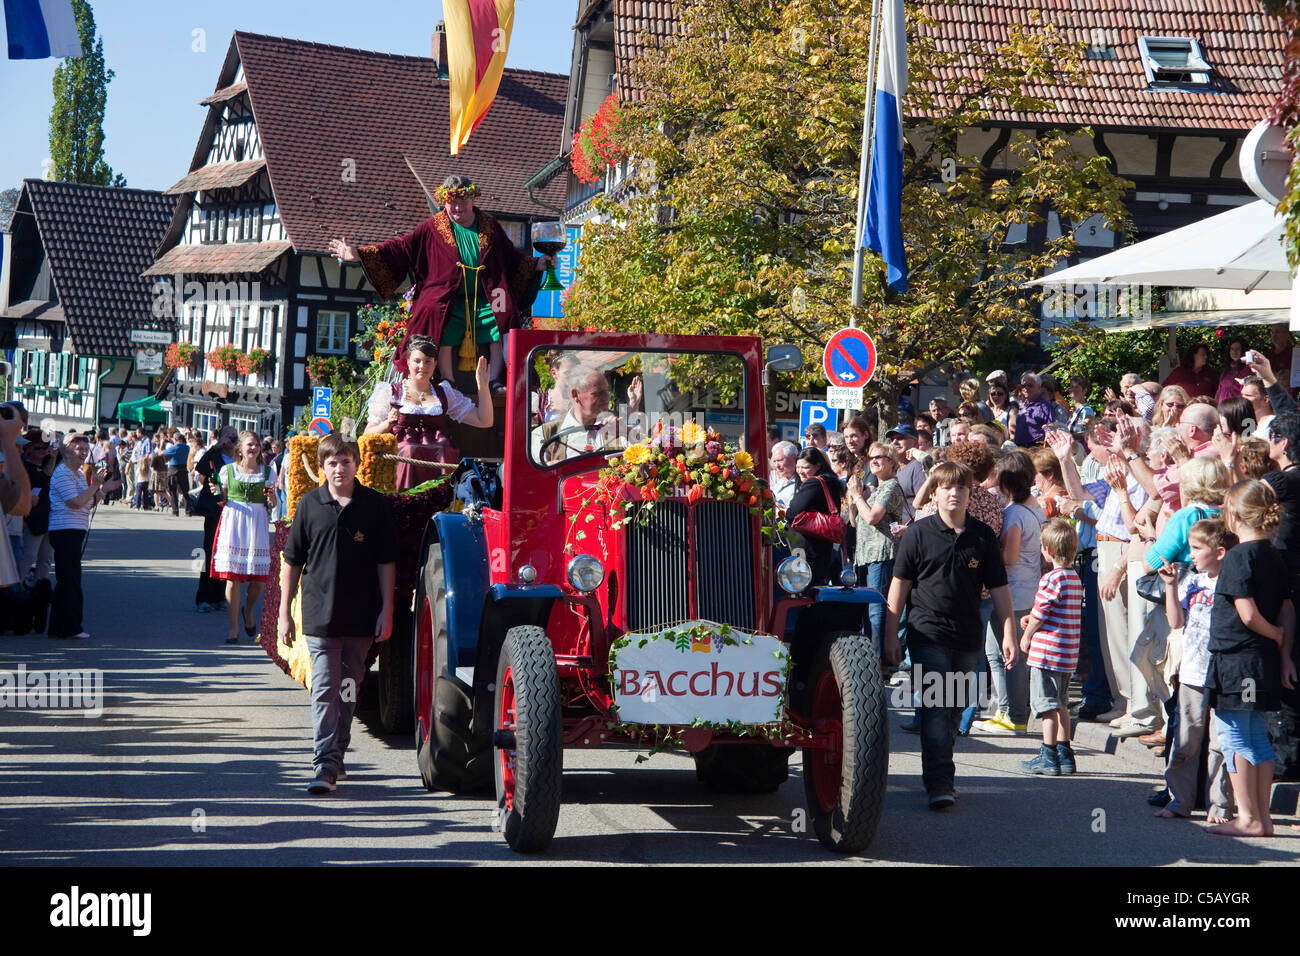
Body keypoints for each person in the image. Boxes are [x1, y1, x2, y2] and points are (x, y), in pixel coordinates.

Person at [331, 174, 552, 390]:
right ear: (444, 202)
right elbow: (401, 247)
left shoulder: (490, 226)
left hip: (487, 296)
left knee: (503, 318)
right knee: (436, 312)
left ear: (472, 199)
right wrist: (360, 254)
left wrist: (536, 264)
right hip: (446, 296)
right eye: (451, 203)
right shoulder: (431, 227)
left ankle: (495, 381)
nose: (457, 208)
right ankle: (447, 380)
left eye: (462, 202)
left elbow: (511, 257)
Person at [884, 461, 1016, 810]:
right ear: (936, 493)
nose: (954, 493)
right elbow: (899, 587)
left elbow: (1000, 589)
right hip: (926, 633)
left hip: (968, 635)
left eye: (961, 488)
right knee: (935, 706)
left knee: (954, 708)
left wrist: (1009, 633)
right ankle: (940, 782)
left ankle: (941, 766)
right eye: (947, 487)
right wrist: (890, 635)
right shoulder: (918, 533)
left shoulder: (982, 536)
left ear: (970, 494)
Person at [280, 433, 397, 794]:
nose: (339, 468)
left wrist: (387, 611)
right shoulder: (309, 505)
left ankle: (337, 753)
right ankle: (324, 764)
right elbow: (292, 561)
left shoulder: (374, 506)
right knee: (325, 688)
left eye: (346, 461)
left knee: (348, 690)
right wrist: (285, 613)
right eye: (332, 462)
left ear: (357, 465)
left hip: (361, 617)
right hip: (319, 615)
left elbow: (386, 562)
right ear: (322, 468)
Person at [1205, 480, 1297, 836]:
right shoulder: (1273, 553)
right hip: (1262, 660)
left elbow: (1246, 613)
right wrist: (1284, 650)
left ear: (1234, 514)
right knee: (1257, 734)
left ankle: (1248, 817)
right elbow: (1287, 608)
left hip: (1239, 660)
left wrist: (1274, 635)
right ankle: (1263, 818)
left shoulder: (1239, 556)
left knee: (1234, 736)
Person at [1156, 518, 1237, 821]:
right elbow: (1176, 622)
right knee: (1185, 741)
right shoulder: (1191, 581)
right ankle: (1180, 799)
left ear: (1219, 552)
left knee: (1220, 744)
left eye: (1196, 549)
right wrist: (1170, 585)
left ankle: (1220, 805)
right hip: (1191, 671)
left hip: (1221, 674)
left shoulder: (1232, 582)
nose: (1189, 555)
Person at [973, 450, 1044, 735]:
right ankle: (1006, 712)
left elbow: (1010, 557)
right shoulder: (1035, 508)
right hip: (1026, 588)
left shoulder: (1014, 513)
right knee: (1000, 653)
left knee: (1008, 655)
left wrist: (985, 552)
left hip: (1013, 591)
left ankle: (1014, 715)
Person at [365, 336, 495, 488]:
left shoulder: (444, 393)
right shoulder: (391, 392)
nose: (423, 366)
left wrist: (483, 386)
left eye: (428, 361)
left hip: (440, 463)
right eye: (417, 361)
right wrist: (388, 423)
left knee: (444, 447)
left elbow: (484, 421)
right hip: (404, 463)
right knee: (409, 449)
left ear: (435, 364)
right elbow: (368, 434)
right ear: (408, 362)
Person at [1018, 517, 1083, 775]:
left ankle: (1048, 754)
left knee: (1046, 705)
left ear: (1048, 551)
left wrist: (1027, 634)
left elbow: (1041, 612)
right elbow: (1053, 611)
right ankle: (1065, 753)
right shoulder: (1074, 578)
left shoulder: (1050, 579)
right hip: (1067, 653)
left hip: (1047, 653)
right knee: (1062, 703)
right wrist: (1032, 618)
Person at [210, 431, 278, 644]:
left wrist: (272, 498)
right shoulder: (227, 471)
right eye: (249, 444)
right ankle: (233, 628)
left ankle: (248, 611)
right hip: (234, 522)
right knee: (233, 577)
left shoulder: (268, 472)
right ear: (239, 448)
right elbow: (221, 500)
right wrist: (216, 492)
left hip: (257, 522)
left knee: (258, 580)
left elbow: (272, 505)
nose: (254, 448)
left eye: (256, 444)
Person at [48, 433, 118, 639]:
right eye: (79, 449)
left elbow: (87, 503)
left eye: (86, 450)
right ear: (67, 450)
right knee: (69, 580)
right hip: (64, 530)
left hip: (74, 529)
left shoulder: (77, 474)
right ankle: (68, 627)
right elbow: (75, 503)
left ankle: (61, 627)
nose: (84, 453)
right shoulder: (63, 473)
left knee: (70, 580)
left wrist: (102, 489)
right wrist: (95, 486)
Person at [846, 442, 904, 651]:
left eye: (879, 457)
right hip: (864, 554)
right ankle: (869, 657)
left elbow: (871, 517)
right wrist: (853, 499)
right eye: (871, 458)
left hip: (881, 552)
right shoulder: (875, 490)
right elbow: (854, 521)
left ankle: (880, 660)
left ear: (892, 462)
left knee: (876, 609)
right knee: (865, 609)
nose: (874, 461)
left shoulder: (891, 486)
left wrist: (860, 497)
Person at [533, 365, 636, 463]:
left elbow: (646, 453)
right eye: (597, 393)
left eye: (607, 391)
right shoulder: (546, 433)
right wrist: (548, 466)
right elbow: (531, 470)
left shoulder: (614, 427)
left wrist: (627, 431)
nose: (607, 398)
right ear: (575, 394)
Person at [785, 447, 844, 585]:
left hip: (807, 548)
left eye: (805, 467)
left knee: (804, 588)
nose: (800, 471)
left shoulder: (814, 482)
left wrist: (783, 511)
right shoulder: (831, 482)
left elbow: (792, 513)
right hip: (823, 547)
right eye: (798, 467)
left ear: (818, 466)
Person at [194, 427, 237, 612]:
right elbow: (200, 468)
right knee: (210, 553)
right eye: (228, 436)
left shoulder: (239, 459)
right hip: (214, 511)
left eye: (234, 437)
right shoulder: (213, 455)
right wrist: (216, 447)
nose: (232, 440)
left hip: (233, 513)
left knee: (227, 555)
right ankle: (203, 598)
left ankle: (220, 597)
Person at [1013, 373, 1053, 447]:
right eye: (1023, 386)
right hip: (1020, 447)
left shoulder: (1044, 407)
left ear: (1039, 388)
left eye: (1030, 385)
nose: (1026, 388)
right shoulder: (1023, 405)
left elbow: (1049, 430)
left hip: (1035, 448)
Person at [163, 431, 191, 516]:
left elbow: (163, 453)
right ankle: (188, 511)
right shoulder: (187, 447)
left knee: (173, 491)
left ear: (175, 439)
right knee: (185, 492)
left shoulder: (174, 447)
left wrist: (162, 444)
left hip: (173, 470)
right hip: (183, 469)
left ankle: (175, 511)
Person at [1217, 337, 1250, 402]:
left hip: (1236, 408)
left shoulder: (1248, 370)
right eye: (1232, 349)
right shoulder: (1227, 369)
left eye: (1237, 349)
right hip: (1222, 408)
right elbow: (1219, 391)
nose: (1234, 352)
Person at [768, 441, 798, 511]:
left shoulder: (802, 483)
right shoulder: (781, 481)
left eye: (780, 460)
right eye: (774, 461)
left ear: (793, 458)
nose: (776, 465)